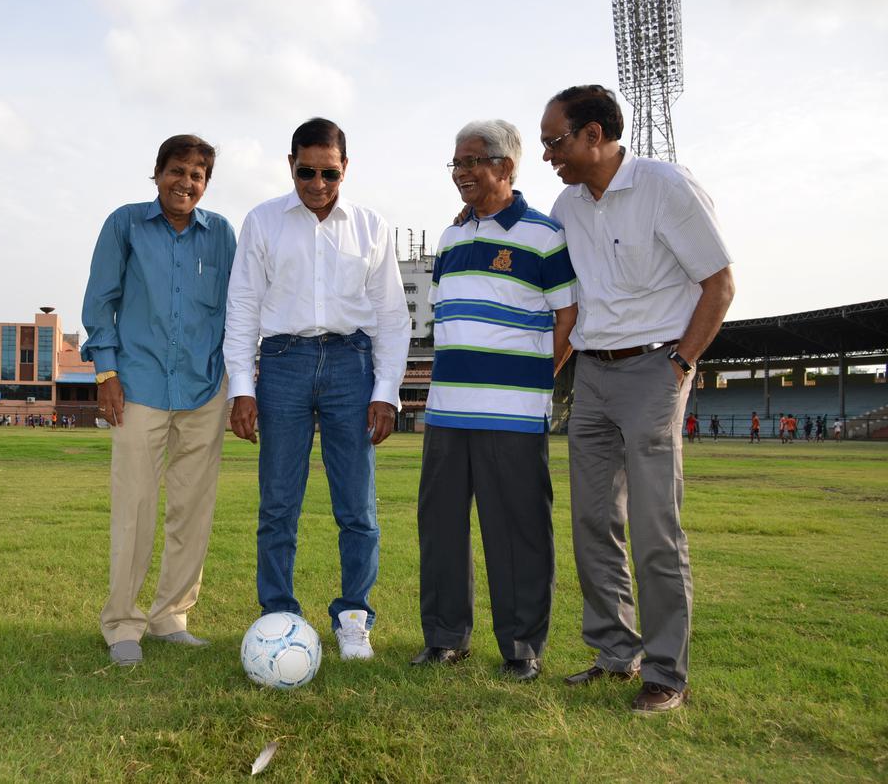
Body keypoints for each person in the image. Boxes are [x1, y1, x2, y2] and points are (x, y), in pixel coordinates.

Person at [541, 85, 735, 713]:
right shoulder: (565, 206)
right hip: (591, 375)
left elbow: (720, 283)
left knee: (655, 525)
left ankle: (666, 672)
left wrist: (681, 363)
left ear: (594, 134)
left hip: (655, 368)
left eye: (556, 140)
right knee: (593, 522)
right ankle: (612, 653)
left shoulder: (665, 186)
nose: (549, 154)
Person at [224, 118, 410, 660]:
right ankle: (278, 616)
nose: (318, 184)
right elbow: (243, 308)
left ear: (345, 168)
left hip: (353, 364)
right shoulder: (262, 222)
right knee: (278, 503)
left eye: (329, 173)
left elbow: (392, 317)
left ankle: (354, 617)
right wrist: (242, 386)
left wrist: (386, 390)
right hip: (283, 361)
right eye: (306, 171)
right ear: (291, 165)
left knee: (357, 505)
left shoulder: (371, 226)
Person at [411, 120, 577, 680]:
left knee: (517, 530)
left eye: (473, 162)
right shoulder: (452, 237)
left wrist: (534, 378)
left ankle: (521, 648)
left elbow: (568, 316)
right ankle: (445, 638)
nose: (461, 174)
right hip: (447, 411)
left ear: (506, 167)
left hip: (512, 414)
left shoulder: (544, 235)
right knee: (440, 528)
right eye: (455, 164)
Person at [81, 134, 237, 667]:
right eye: (177, 171)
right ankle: (123, 623)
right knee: (136, 507)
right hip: (139, 387)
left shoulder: (221, 235)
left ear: (206, 184)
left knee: (192, 510)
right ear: (157, 173)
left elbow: (237, 311)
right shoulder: (124, 224)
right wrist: (107, 373)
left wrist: (238, 383)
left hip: (204, 389)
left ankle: (171, 616)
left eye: (197, 175)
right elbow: (100, 303)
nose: (185, 183)